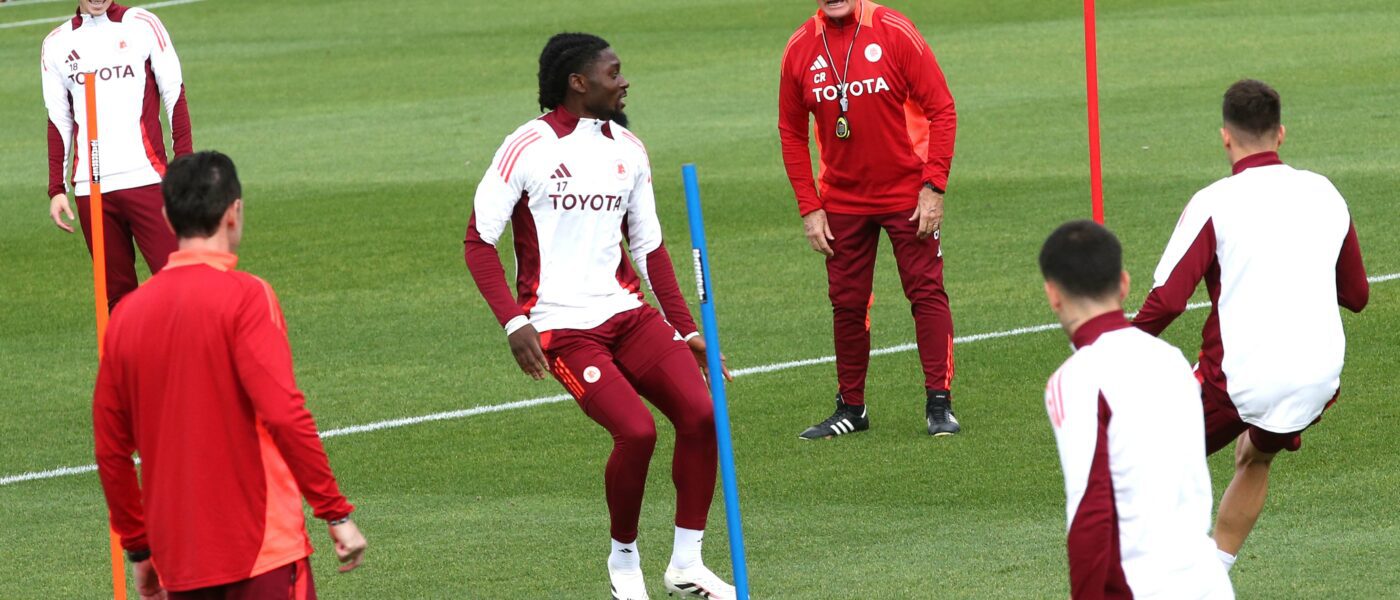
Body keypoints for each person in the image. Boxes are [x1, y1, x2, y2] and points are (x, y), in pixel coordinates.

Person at [464, 33, 736, 600]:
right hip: (563, 328)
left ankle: (686, 563)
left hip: (630, 315)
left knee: (702, 415)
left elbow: (651, 250)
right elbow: (478, 242)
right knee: (634, 432)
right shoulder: (527, 146)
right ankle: (625, 562)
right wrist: (516, 324)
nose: (623, 81)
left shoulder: (629, 150)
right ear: (578, 82)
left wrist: (686, 330)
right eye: (613, 72)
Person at [93, 152, 366, 600]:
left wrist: (140, 550)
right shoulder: (247, 297)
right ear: (234, 212)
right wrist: (334, 513)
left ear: (165, 215)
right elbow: (284, 413)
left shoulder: (126, 317)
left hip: (178, 564)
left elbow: (110, 448)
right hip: (264, 554)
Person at [1133, 79, 1369, 572]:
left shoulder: (1214, 202)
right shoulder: (1325, 191)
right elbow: (1357, 296)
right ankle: (1214, 573)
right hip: (1319, 380)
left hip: (1239, 381)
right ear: (1280, 133)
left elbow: (1168, 301)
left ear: (1225, 137)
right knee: (1255, 454)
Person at [778, 0, 960, 439]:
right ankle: (852, 408)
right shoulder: (801, 46)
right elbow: (790, 130)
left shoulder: (894, 29)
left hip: (906, 194)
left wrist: (933, 187)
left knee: (925, 291)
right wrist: (809, 205)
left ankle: (939, 403)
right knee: (846, 302)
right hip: (841, 200)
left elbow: (943, 109)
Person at [1039, 220, 1234, 600]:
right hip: (1207, 582)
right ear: (1124, 284)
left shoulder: (1075, 379)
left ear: (1053, 295)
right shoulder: (1173, 360)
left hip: (1140, 587)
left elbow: (1089, 511)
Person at [41, 0, 193, 309]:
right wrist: (57, 189)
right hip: (92, 190)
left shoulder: (142, 23)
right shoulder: (56, 43)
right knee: (119, 300)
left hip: (147, 179)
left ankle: (186, 357)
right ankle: (132, 360)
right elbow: (58, 120)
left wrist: (184, 161)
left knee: (181, 286)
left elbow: (174, 93)